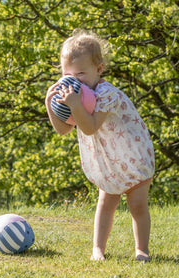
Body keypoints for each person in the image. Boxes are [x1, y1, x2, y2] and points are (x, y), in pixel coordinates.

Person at [45, 30, 155, 262]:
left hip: (132, 155)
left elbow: (90, 127)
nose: (74, 80)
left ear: (99, 69)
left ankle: (142, 250)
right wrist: (49, 103)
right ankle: (98, 249)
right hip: (109, 160)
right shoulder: (74, 96)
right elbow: (63, 129)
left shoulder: (106, 94)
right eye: (68, 74)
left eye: (81, 73)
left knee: (137, 205)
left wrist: (75, 106)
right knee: (105, 203)